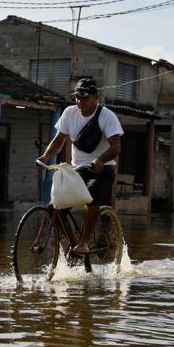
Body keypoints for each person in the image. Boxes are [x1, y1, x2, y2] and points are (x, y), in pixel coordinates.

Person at [37, 77, 124, 255]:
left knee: (91, 198)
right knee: (55, 207)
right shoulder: (69, 113)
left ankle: (83, 243)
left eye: (84, 98)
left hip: (103, 168)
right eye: (77, 97)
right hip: (78, 171)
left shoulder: (107, 116)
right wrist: (46, 156)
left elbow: (116, 147)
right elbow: (59, 140)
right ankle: (70, 243)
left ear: (95, 97)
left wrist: (100, 160)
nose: (79, 102)